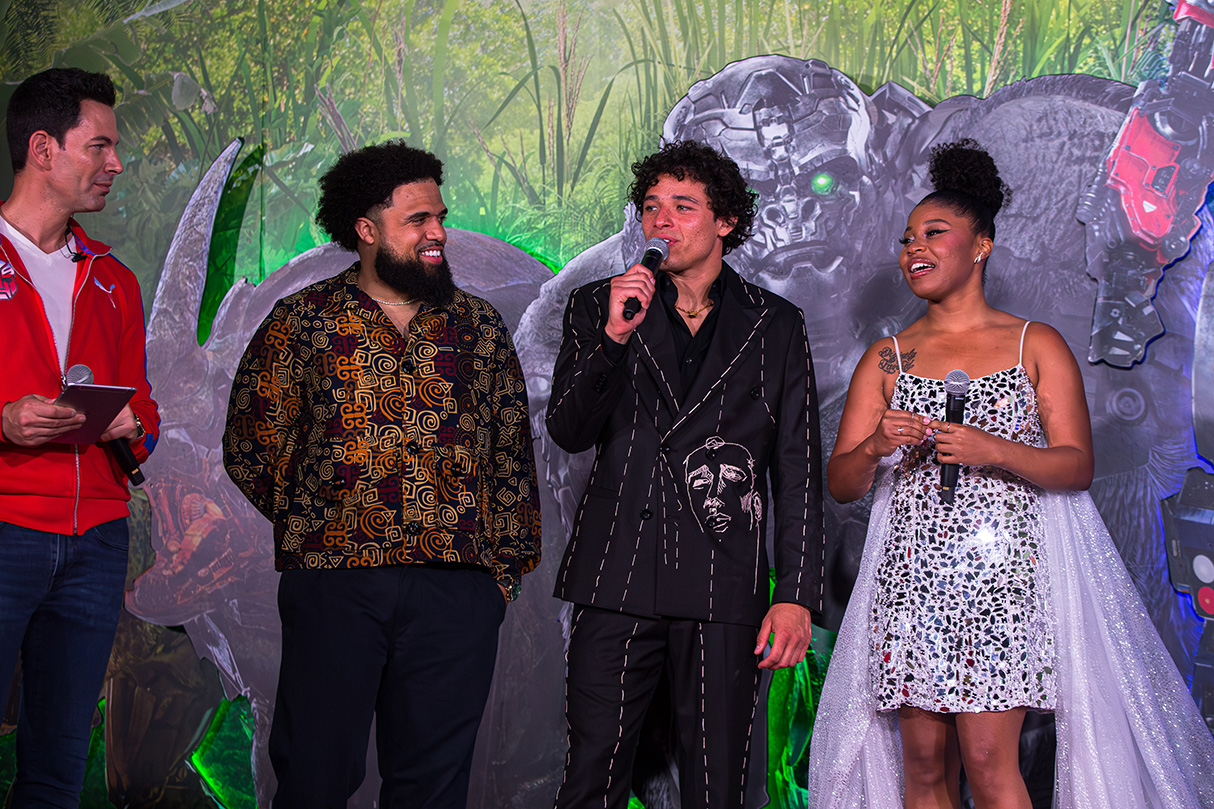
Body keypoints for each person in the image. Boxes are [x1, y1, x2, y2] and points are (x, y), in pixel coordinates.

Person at [808, 139, 1214, 808]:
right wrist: (876, 441)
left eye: (935, 233)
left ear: (981, 245)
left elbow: (1077, 465)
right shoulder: (888, 357)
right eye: (909, 237)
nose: (916, 247)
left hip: (1002, 585)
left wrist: (991, 449)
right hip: (911, 584)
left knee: (990, 758)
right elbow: (843, 482)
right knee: (924, 764)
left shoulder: (1035, 343)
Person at [222, 141, 541, 807]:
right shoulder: (301, 322)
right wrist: (318, 523)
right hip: (335, 586)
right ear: (366, 231)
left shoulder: (478, 325)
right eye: (418, 219)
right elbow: (251, 442)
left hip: (456, 590)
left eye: (440, 216)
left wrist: (501, 574)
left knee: (432, 787)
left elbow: (510, 449)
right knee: (315, 774)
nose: (439, 233)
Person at [547, 139, 824, 809]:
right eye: (650, 207)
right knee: (591, 775)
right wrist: (613, 339)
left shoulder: (776, 325)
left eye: (682, 206)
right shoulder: (598, 305)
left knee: (717, 782)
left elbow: (799, 467)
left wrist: (796, 594)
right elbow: (568, 430)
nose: (660, 222)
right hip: (617, 573)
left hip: (720, 577)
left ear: (725, 220)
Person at [0, 68, 159, 807]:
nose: (115, 163)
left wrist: (133, 427)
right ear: (42, 148)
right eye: (99, 145)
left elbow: (146, 422)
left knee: (61, 762)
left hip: (96, 541)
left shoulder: (114, 281)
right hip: (5, 527)